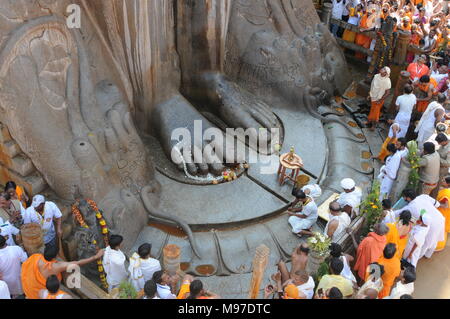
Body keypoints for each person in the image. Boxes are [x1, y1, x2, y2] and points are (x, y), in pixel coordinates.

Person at [21, 244, 104, 299]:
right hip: (38, 291)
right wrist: (95, 257)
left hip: (29, 287)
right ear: (55, 256)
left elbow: (26, 266)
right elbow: (77, 263)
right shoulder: (55, 267)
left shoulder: (36, 257)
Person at [393, 190, 445, 259]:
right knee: (433, 241)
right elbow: (437, 204)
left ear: (408, 198)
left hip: (432, 225)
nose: (403, 198)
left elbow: (396, 213)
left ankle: (418, 257)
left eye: (404, 197)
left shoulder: (410, 207)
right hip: (440, 218)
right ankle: (428, 255)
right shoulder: (423, 196)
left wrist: (388, 212)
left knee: (425, 244)